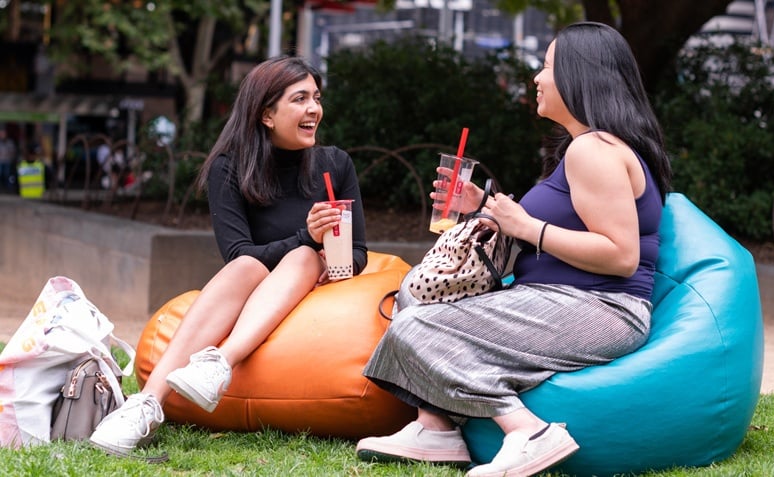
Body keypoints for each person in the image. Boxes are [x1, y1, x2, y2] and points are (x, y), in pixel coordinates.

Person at [355, 21, 673, 477]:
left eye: (546, 67)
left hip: (600, 308)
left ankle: (528, 431)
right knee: (414, 297)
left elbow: (620, 255)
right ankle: (436, 427)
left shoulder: (594, 150)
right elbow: (555, 225)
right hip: (559, 299)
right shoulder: (584, 148)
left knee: (413, 327)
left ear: (578, 76)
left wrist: (527, 225)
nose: (537, 79)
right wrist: (482, 206)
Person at [89, 56, 368, 455]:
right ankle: (145, 405)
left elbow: (358, 252)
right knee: (256, 262)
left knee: (306, 257)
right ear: (266, 115)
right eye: (300, 98)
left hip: (319, 291)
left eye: (316, 98)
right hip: (251, 285)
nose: (314, 109)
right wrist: (303, 235)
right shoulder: (231, 168)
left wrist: (325, 251)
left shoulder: (336, 164)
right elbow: (238, 254)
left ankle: (220, 362)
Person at [0, 128, 18, 194]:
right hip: (0, 160)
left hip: (7, 160)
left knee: (7, 174)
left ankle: (7, 188)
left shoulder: (9, 142)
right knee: (0, 174)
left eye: (2, 134)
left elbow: (13, 151)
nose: (1, 135)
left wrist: (11, 157)